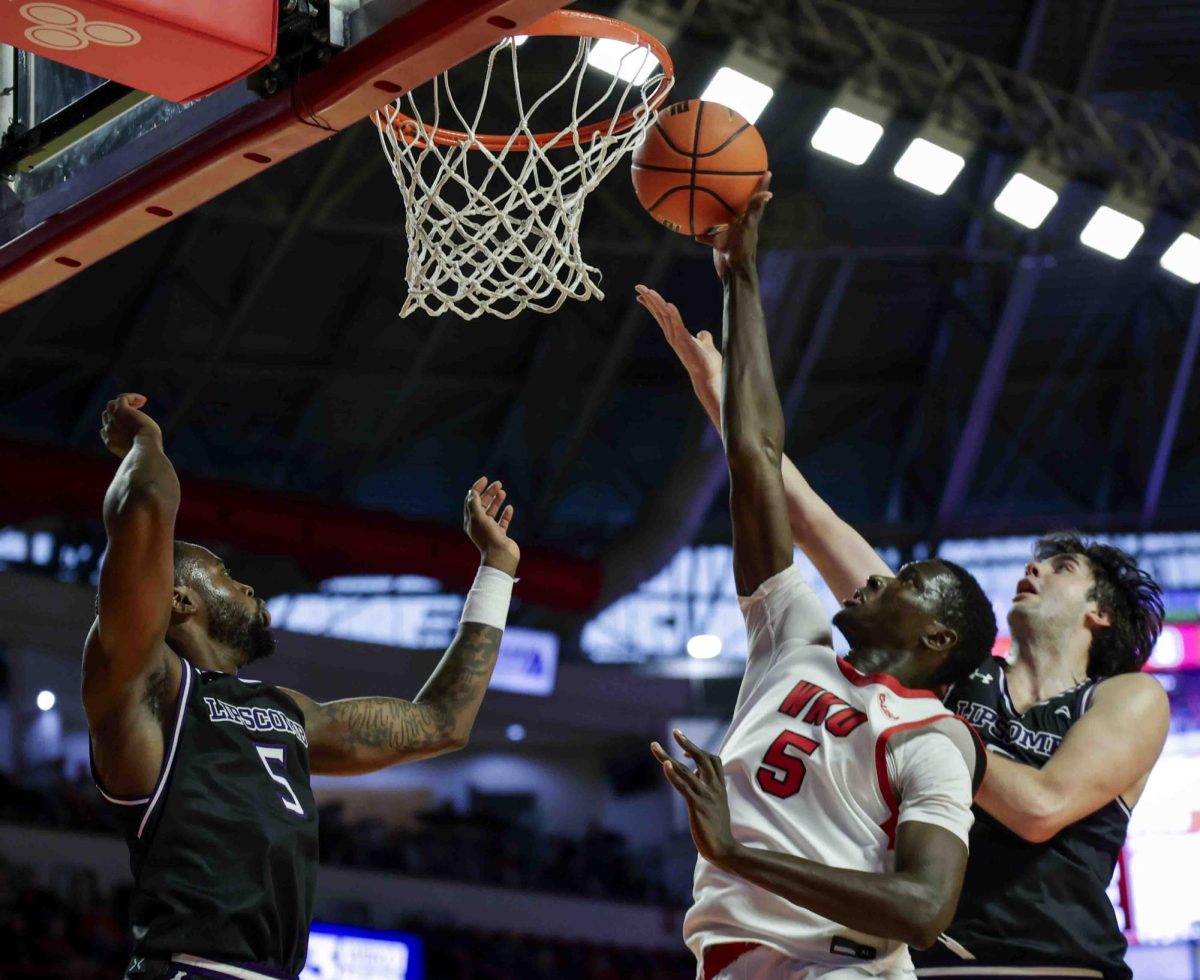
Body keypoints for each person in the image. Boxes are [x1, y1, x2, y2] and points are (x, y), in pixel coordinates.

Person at [640, 230, 1168, 980]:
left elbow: (1043, 807)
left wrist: (927, 728)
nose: (1034, 569)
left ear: (1100, 614)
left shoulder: (1121, 698)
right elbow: (817, 522)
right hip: (929, 963)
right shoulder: (952, 676)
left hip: (1054, 965)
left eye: (1061, 567)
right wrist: (732, 417)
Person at [643, 174, 999, 980]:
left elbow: (924, 908)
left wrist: (736, 851)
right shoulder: (790, 639)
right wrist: (740, 278)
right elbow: (756, 459)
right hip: (733, 962)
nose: (872, 582)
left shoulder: (936, 740)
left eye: (903, 577)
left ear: (938, 637)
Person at [86, 392, 521, 980]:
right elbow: (144, 507)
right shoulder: (149, 689)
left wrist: (496, 569)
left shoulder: (289, 711)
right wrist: (145, 443)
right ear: (178, 598)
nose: (247, 589)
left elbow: (443, 722)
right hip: (190, 966)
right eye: (227, 576)